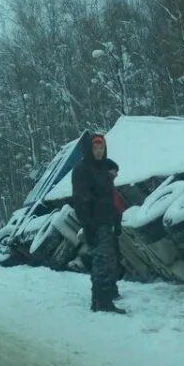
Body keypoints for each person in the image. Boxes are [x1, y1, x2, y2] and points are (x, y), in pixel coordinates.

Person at [71, 134, 125, 314]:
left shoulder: (102, 170)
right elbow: (81, 200)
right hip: (95, 223)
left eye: (101, 148)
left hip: (107, 221)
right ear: (89, 149)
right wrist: (88, 225)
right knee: (103, 262)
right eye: (95, 148)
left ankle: (106, 295)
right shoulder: (82, 170)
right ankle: (101, 302)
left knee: (110, 260)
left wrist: (117, 219)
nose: (99, 151)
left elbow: (111, 198)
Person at [104, 158, 125, 301]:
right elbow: (114, 206)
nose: (117, 174)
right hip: (108, 226)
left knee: (110, 258)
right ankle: (110, 290)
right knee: (111, 259)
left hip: (108, 225)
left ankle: (111, 288)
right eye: (115, 171)